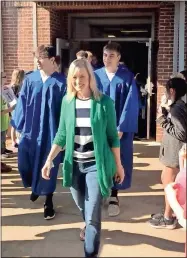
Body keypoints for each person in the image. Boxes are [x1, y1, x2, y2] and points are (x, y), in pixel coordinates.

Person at [41, 58, 124, 257]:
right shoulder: (67, 102)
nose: (79, 81)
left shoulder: (104, 103)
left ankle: (90, 250)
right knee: (83, 207)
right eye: (74, 77)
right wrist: (49, 159)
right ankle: (87, 225)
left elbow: (113, 137)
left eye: (82, 77)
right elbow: (61, 134)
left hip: (96, 165)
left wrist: (119, 166)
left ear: (90, 77)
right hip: (74, 164)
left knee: (93, 215)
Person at [11, 45, 66, 220]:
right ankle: (36, 187)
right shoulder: (30, 79)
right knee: (24, 164)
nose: (37, 62)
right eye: (36, 58)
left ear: (51, 60)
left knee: (48, 166)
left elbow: (65, 112)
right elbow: (22, 104)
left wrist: (64, 137)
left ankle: (48, 200)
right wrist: (18, 128)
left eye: (41, 58)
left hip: (51, 132)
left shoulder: (61, 82)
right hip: (30, 132)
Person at [94, 41, 139, 217]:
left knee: (118, 159)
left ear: (119, 58)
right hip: (98, 127)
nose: (107, 59)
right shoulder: (95, 76)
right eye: (105, 55)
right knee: (98, 158)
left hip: (119, 129)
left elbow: (131, 104)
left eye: (111, 55)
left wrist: (122, 127)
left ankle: (114, 195)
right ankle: (100, 191)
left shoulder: (127, 78)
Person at [149, 77, 187, 229]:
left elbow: (182, 133)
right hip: (173, 153)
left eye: (166, 91)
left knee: (170, 185)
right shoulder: (178, 105)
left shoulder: (177, 108)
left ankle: (168, 218)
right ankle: (168, 215)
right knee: (166, 181)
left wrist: (161, 119)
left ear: (172, 91)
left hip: (174, 153)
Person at [9, 69, 25, 148]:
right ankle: (13, 140)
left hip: (19, 107)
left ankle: (16, 140)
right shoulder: (14, 87)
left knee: (16, 123)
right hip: (15, 107)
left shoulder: (21, 85)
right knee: (15, 123)